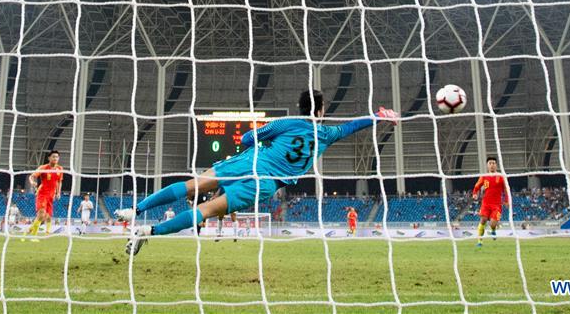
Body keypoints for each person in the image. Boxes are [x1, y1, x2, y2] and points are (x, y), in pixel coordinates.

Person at [115, 89, 397, 255]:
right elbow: (351, 127)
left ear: (300, 107)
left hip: (249, 162)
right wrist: (378, 116)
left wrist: (265, 141)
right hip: (267, 182)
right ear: (321, 110)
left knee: (194, 185)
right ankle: (147, 231)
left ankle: (136, 210)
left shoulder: (285, 122)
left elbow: (248, 139)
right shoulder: (327, 133)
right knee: (209, 210)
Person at [25, 151, 63, 242]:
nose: (55, 158)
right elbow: (32, 176)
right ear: (49, 158)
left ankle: (34, 230)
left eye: (57, 157)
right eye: (53, 157)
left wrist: (58, 193)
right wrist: (32, 182)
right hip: (42, 194)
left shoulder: (60, 169)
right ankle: (33, 236)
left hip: (51, 196)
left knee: (48, 217)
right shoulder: (44, 168)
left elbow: (59, 181)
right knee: (41, 214)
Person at [472, 157, 509, 247]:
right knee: (483, 220)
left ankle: (493, 230)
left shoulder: (501, 177)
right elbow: (477, 186)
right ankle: (480, 241)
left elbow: (506, 189)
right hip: (486, 203)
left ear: (496, 165)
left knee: (493, 223)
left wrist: (506, 200)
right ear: (487, 165)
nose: (492, 165)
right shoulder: (484, 177)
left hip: (497, 205)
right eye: (490, 163)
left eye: (493, 163)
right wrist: (474, 193)